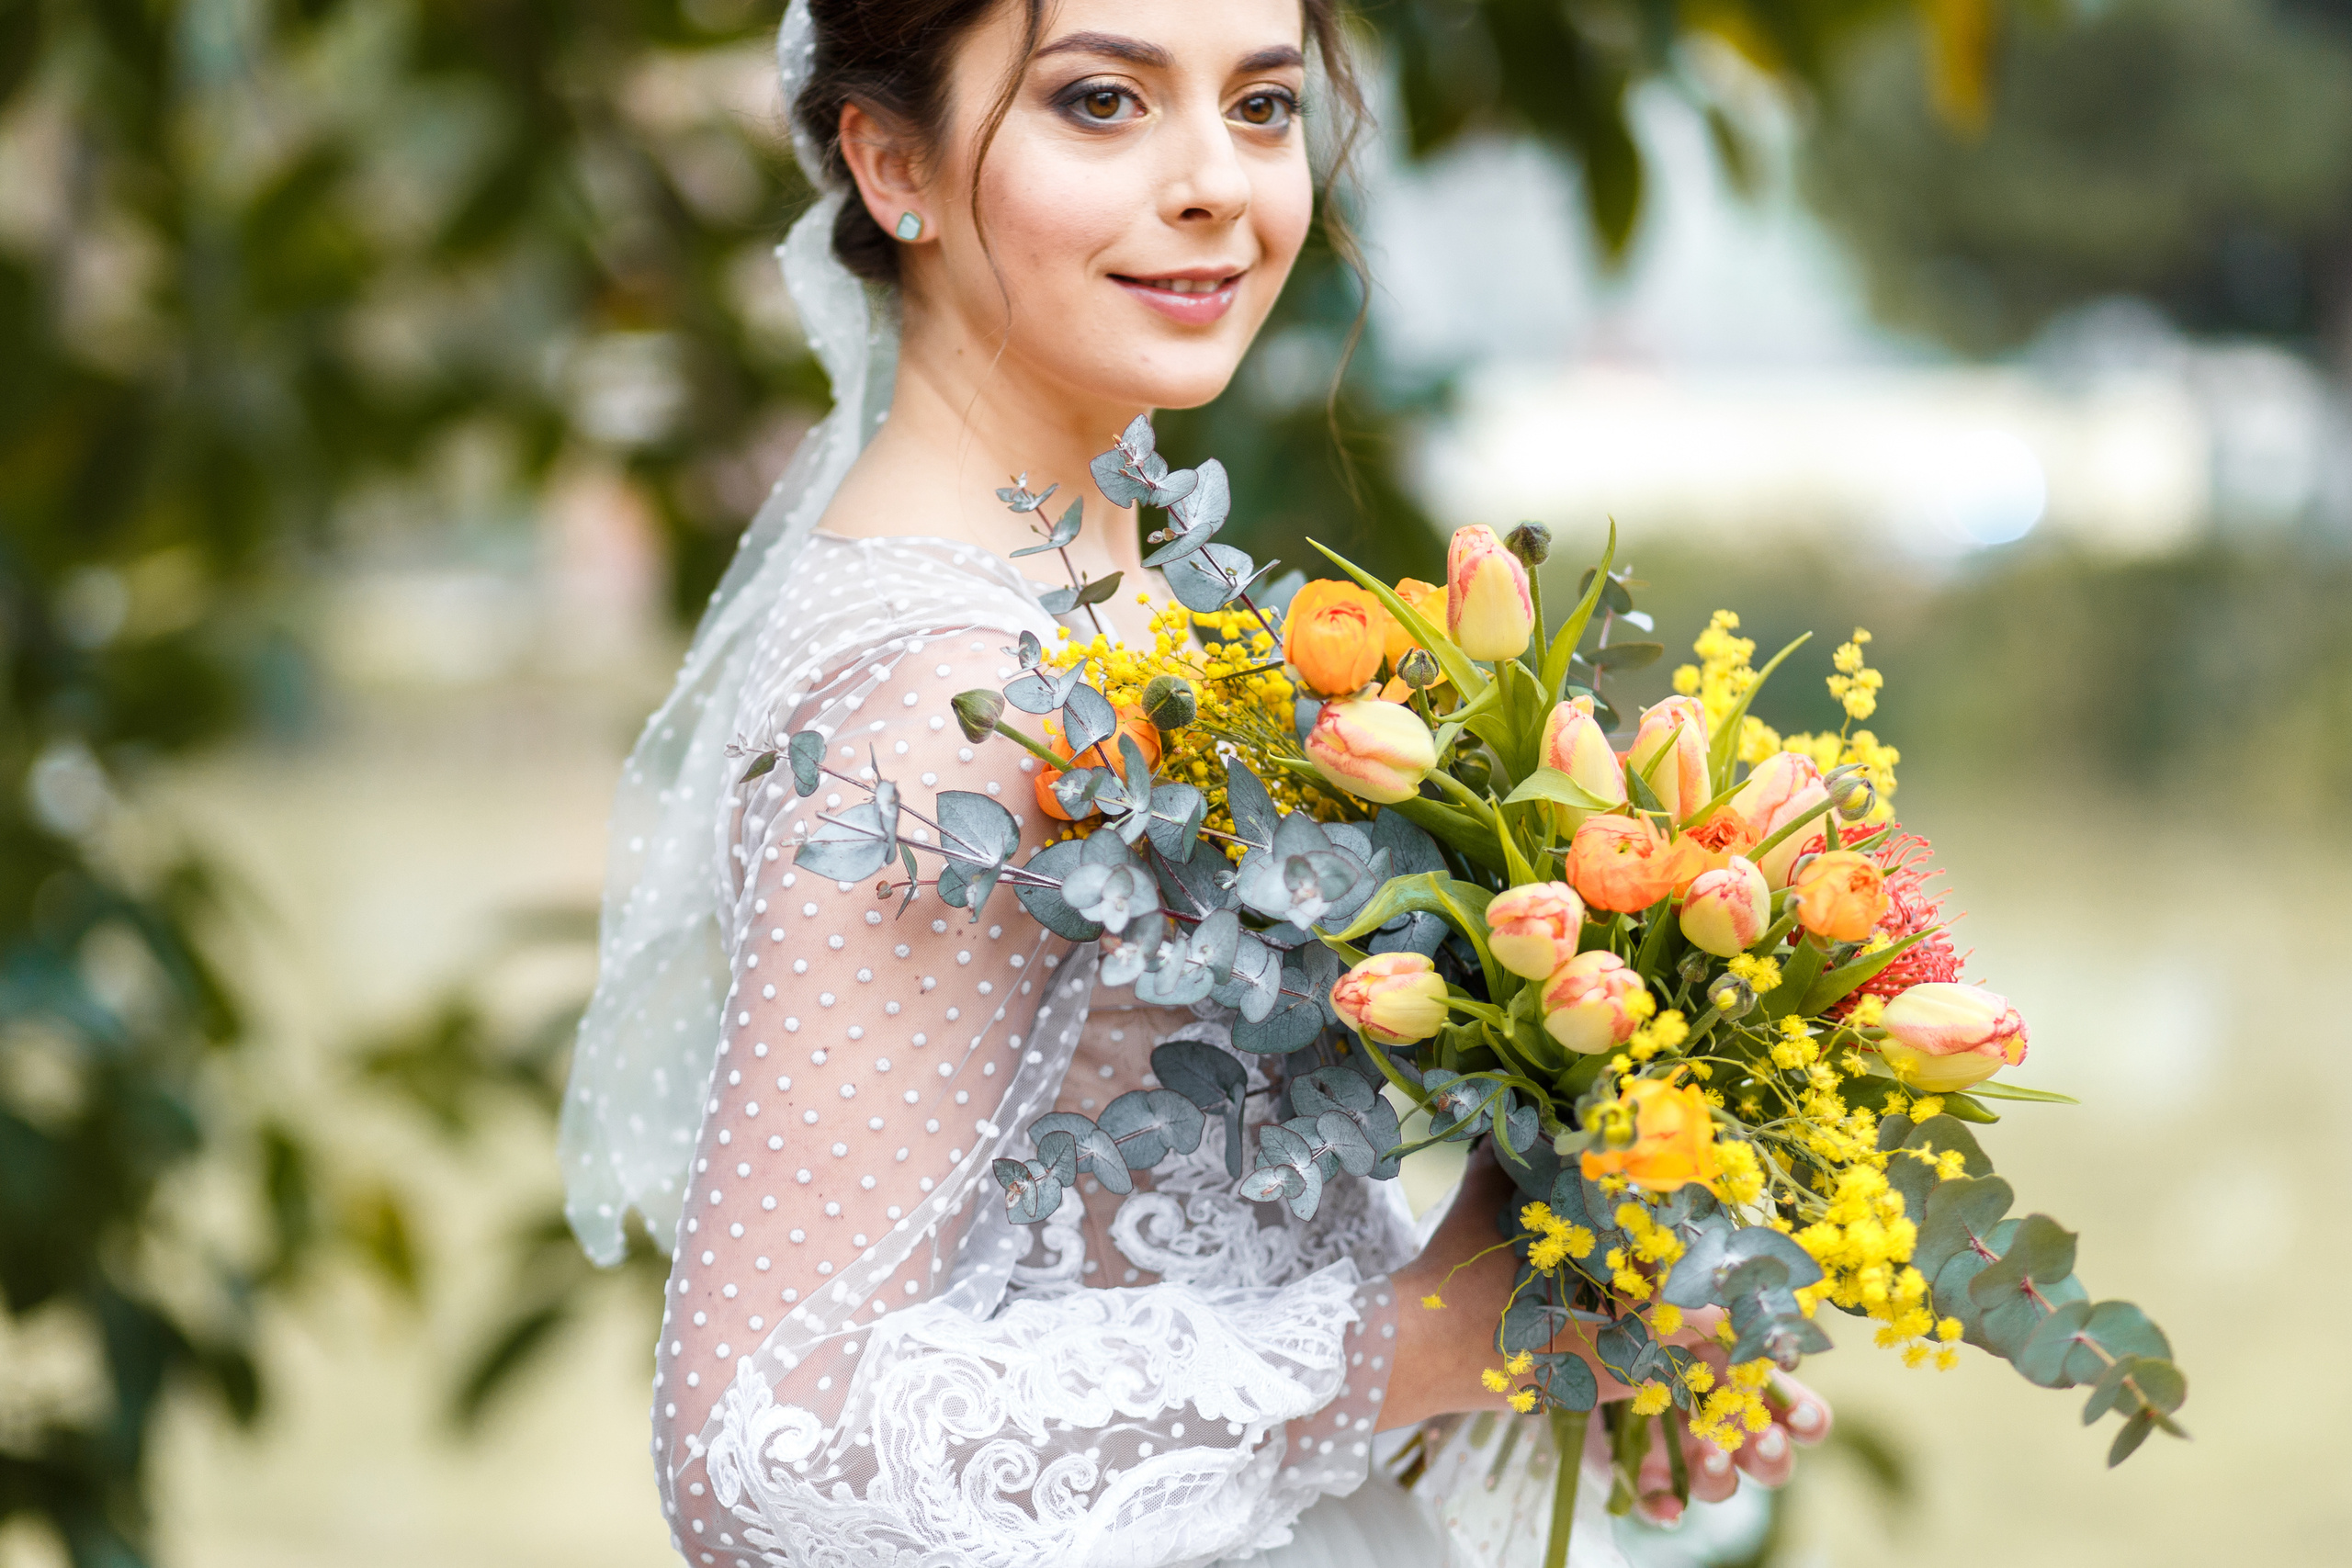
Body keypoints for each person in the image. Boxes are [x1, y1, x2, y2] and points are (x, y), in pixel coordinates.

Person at [560, 3, 1829, 1563]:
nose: (1218, 182)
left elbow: (1148, 1276)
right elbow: (764, 1450)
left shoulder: (1127, 633)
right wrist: (1426, 1338)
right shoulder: (951, 711)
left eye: (1264, 104)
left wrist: (1579, 1314)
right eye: (1103, 101)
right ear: (889, 159)